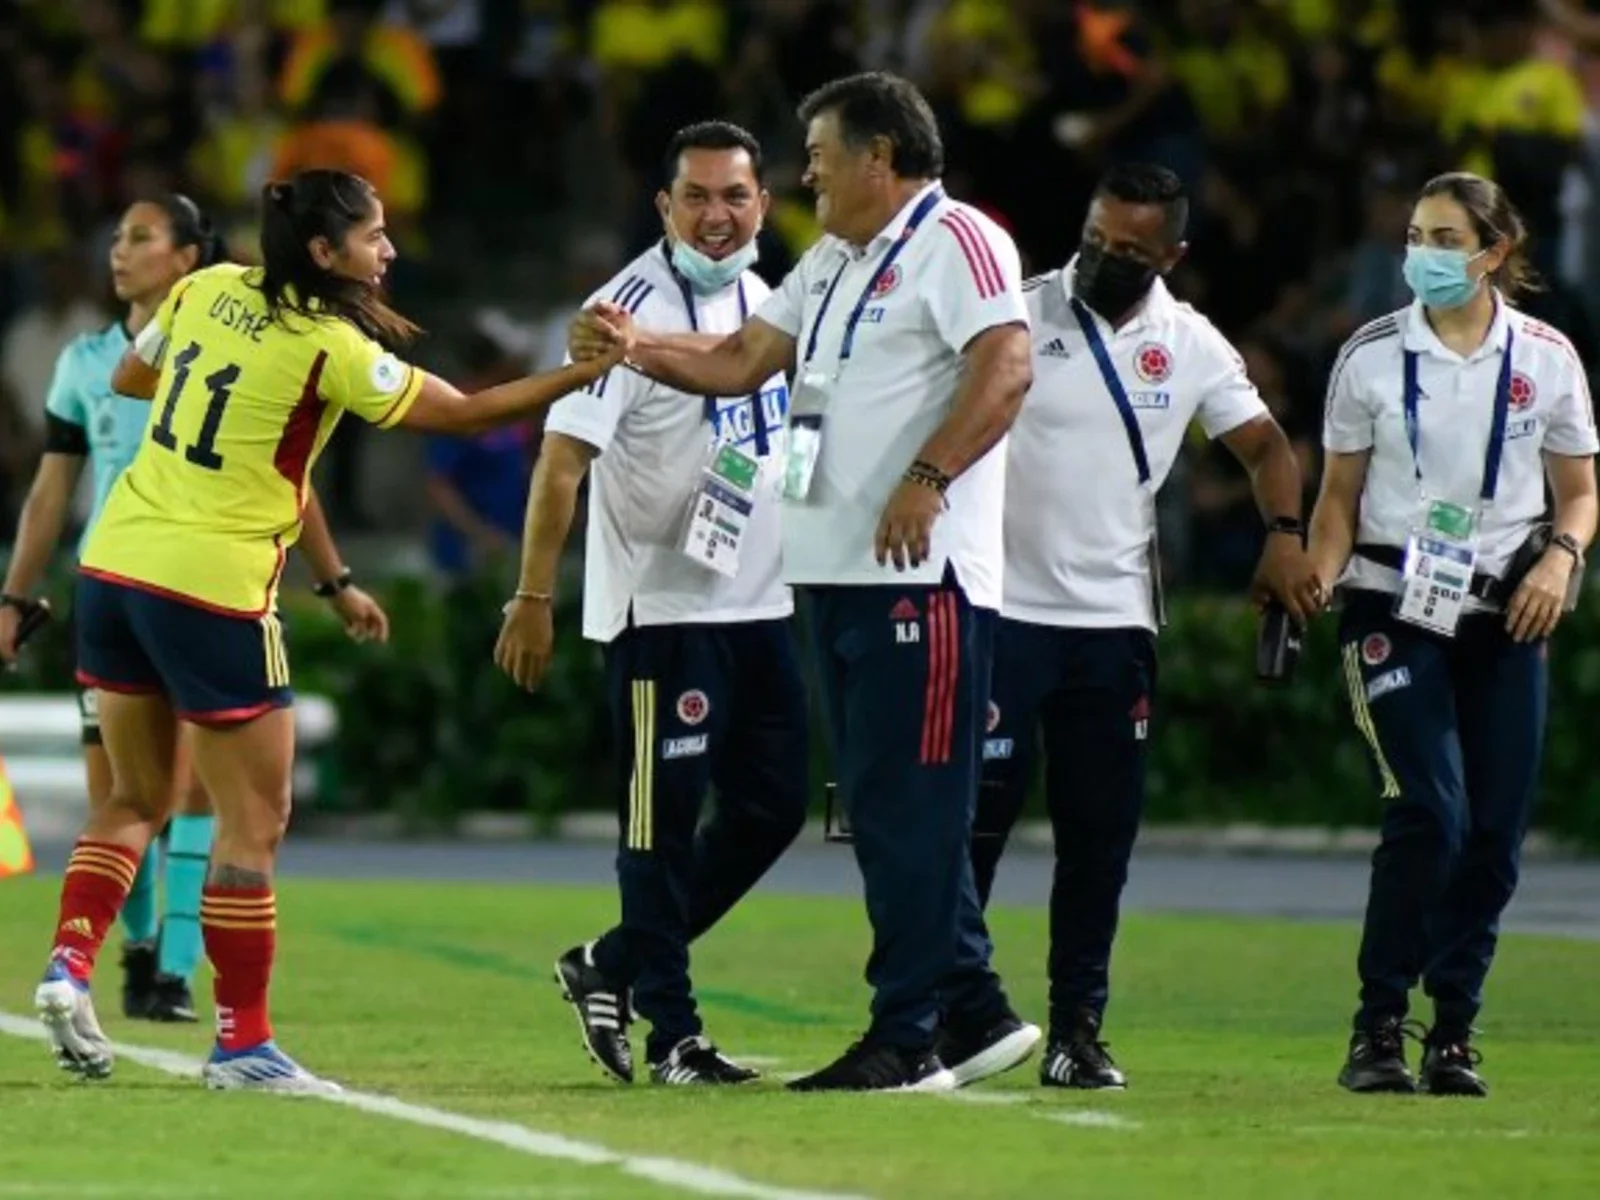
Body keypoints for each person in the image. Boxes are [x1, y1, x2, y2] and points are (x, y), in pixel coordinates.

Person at [32, 168, 625, 1093]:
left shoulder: (205, 287)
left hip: (112, 566)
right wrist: (587, 371)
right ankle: (243, 1044)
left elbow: (130, 376)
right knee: (253, 823)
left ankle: (67, 968)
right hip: (213, 592)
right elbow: (464, 417)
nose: (387, 249)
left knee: (133, 801)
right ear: (323, 252)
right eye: (373, 235)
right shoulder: (329, 347)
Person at [572, 72, 1040, 1092]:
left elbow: (1005, 365)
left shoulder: (958, 240)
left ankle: (907, 1037)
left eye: (820, 155)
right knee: (879, 805)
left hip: (921, 576)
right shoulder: (833, 259)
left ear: (880, 157)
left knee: (908, 805)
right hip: (829, 577)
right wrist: (635, 343)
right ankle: (972, 1011)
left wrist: (927, 477)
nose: (805, 175)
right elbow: (742, 356)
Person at [948, 163, 1321, 1090]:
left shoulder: (1188, 342)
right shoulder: (1020, 313)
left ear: (1172, 254)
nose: (1105, 260)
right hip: (1003, 610)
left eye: (1129, 251)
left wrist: (1284, 536)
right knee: (968, 830)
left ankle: (1078, 1031)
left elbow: (1266, 445)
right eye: (1095, 239)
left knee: (1097, 841)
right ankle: (946, 1011)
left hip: (1114, 626)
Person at [495, 120, 807, 1087]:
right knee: (658, 828)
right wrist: (535, 593)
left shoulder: (768, 301)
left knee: (774, 809)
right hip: (662, 614)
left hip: (760, 606)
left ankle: (612, 964)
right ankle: (675, 1036)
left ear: (763, 203)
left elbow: (786, 442)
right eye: (699, 197)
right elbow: (560, 463)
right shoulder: (618, 314)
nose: (719, 216)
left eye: (736, 197)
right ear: (664, 206)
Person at [1308, 172, 1598, 1097]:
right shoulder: (1368, 355)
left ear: (1492, 253)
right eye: (1416, 234)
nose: (1422, 254)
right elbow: (1338, 501)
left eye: (1443, 237)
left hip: (1505, 611)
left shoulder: (1547, 358)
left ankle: (1454, 1032)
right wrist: (1314, 574)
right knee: (1431, 809)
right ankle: (1378, 1025)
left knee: (1495, 833)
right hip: (1394, 604)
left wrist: (1561, 559)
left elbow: (1582, 493)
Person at [3, 195, 242, 1025]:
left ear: (186, 260)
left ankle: (171, 971)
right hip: (110, 588)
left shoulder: (223, 354)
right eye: (116, 236)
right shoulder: (85, 364)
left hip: (205, 583)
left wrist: (328, 576)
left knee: (194, 789)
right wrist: (15, 592)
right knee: (124, 790)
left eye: (140, 238)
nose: (119, 251)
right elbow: (51, 489)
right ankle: (143, 959)